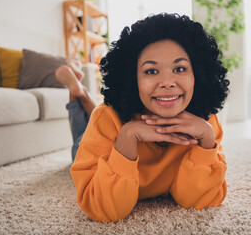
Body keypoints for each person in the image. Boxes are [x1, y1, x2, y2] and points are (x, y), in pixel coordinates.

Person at [69, 13, 229, 222]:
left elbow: (197, 201)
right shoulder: (107, 120)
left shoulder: (205, 124)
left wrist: (207, 141)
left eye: (179, 68)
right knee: (79, 137)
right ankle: (75, 93)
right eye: (151, 71)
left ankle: (80, 93)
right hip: (97, 142)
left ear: (197, 74)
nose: (167, 82)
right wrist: (127, 137)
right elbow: (104, 210)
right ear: (132, 78)